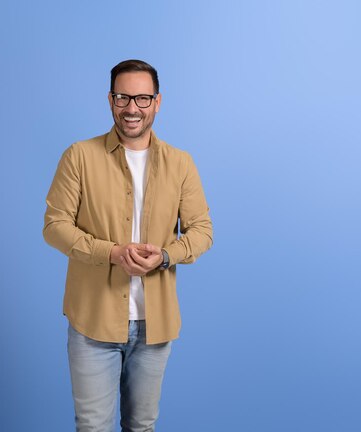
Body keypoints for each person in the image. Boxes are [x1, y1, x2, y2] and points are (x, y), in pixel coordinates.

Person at [43, 59, 213, 432]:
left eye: (141, 98)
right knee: (93, 427)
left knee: (142, 427)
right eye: (123, 97)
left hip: (155, 326)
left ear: (157, 101)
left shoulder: (181, 164)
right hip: (93, 321)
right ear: (110, 100)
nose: (131, 108)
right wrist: (112, 253)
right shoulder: (79, 156)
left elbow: (202, 230)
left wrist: (167, 255)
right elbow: (55, 227)